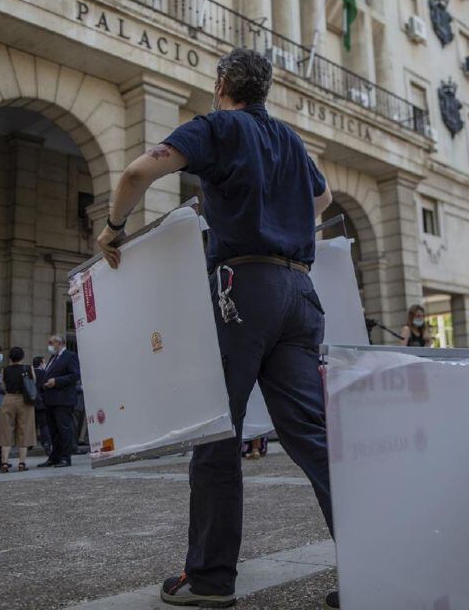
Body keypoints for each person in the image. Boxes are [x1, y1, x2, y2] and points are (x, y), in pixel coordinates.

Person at [97, 48, 336, 609]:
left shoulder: (216, 127)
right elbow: (322, 198)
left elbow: (138, 172)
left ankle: (208, 578)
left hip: (243, 289)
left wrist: (112, 229)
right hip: (301, 292)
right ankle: (377, 564)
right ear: (265, 89)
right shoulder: (291, 141)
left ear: (223, 82)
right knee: (314, 438)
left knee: (216, 432)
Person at [38, 334, 79, 468]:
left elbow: (74, 375)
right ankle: (54, 457)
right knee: (53, 431)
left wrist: (56, 381)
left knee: (64, 429)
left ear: (59, 343)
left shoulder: (70, 355)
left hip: (63, 399)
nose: (49, 345)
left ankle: (66, 458)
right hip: (51, 399)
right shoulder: (53, 357)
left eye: (51, 342)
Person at [0, 347, 35, 472]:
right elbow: (33, 382)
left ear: (10, 358)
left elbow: (2, 385)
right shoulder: (29, 368)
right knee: (24, 430)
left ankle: (4, 462)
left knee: (5, 430)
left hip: (8, 398)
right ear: (22, 357)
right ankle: (22, 463)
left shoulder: (5, 370)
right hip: (24, 400)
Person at [31, 356, 51, 455]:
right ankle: (46, 443)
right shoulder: (44, 373)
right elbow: (45, 387)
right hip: (41, 402)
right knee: (44, 424)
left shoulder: (29, 373)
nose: (45, 364)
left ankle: (29, 443)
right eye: (44, 362)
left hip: (30, 402)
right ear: (40, 363)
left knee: (31, 424)